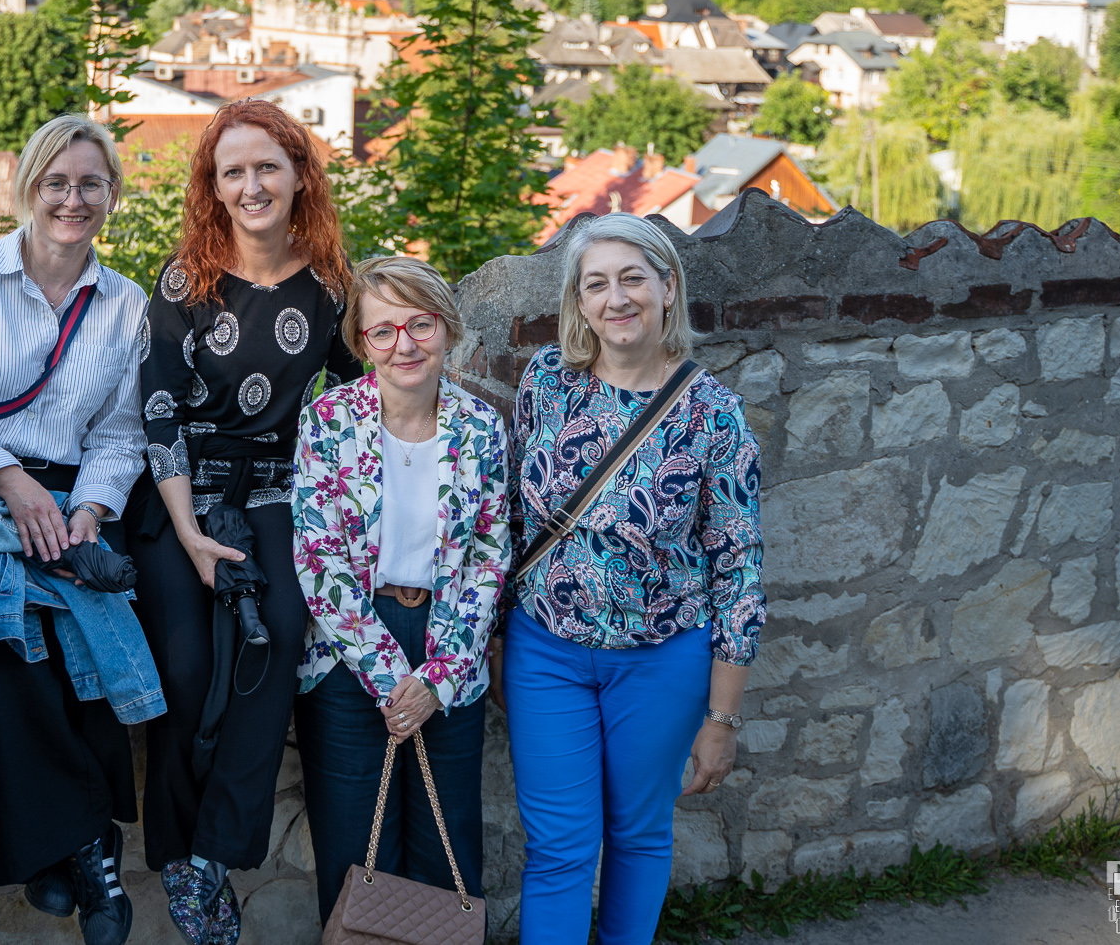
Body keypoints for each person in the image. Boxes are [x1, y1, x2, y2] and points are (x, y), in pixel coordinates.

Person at [0, 113, 154, 945]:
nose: (72, 199)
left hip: (75, 498)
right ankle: (93, 849)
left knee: (86, 638)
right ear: (28, 187)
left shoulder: (125, 306)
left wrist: (89, 510)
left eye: (90, 183)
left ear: (112, 193)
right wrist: (10, 482)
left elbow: (121, 432)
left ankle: (56, 853)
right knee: (11, 642)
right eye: (57, 181)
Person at [134, 98, 362, 944]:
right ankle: (176, 850)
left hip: (275, 492)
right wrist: (190, 532)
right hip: (181, 492)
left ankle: (210, 859)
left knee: (277, 646)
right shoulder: (184, 278)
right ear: (214, 185)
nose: (252, 184)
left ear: (299, 173)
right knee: (188, 667)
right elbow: (159, 408)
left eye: (268, 165)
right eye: (233, 170)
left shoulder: (332, 282)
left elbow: (361, 393)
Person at [504, 212, 765, 945]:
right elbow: (510, 518)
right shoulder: (547, 382)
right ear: (579, 301)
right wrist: (494, 641)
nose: (616, 298)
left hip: (660, 660)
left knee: (639, 832)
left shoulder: (714, 415)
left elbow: (739, 569)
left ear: (667, 286)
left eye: (632, 279)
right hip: (545, 652)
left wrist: (722, 720)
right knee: (559, 845)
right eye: (596, 284)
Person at [290, 255, 510, 926]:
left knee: (447, 849)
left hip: (449, 649)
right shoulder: (329, 420)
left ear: (448, 329)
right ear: (361, 342)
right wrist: (391, 677)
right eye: (383, 330)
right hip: (348, 651)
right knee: (355, 852)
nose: (404, 344)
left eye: (421, 324)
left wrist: (437, 677)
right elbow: (318, 558)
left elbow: (489, 557)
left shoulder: (481, 427)